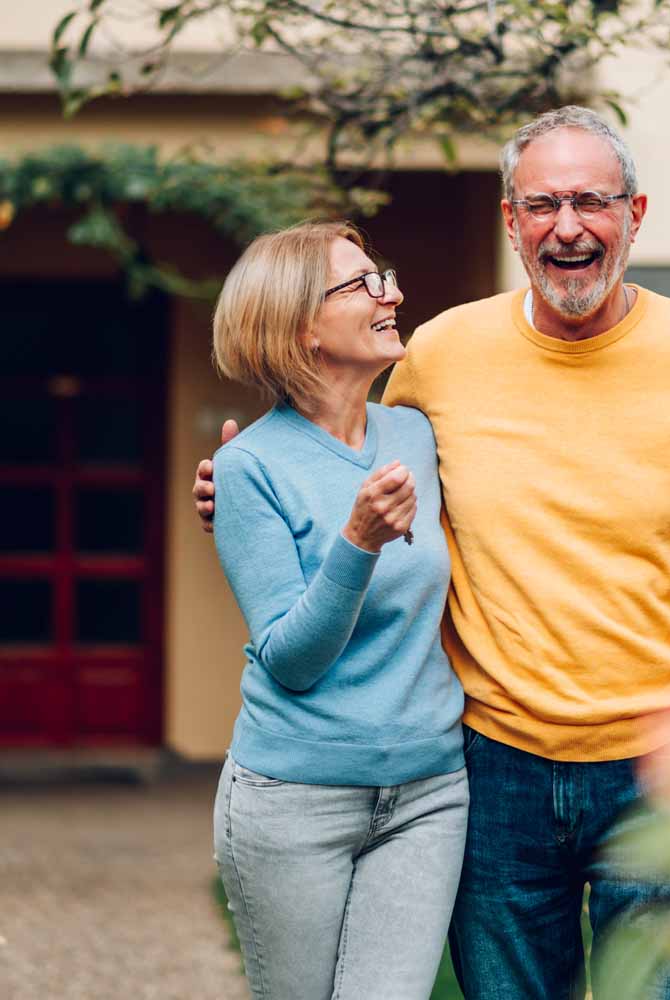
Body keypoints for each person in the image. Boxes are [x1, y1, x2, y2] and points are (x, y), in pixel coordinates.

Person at [195, 108, 670, 999]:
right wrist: (237, 492)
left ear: (635, 214)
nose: (568, 225)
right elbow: (334, 453)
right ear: (510, 221)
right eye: (543, 204)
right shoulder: (441, 355)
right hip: (491, 768)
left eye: (592, 201)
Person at [206, 220, 468, 1000]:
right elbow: (291, 659)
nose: (391, 292)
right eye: (361, 284)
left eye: (380, 274)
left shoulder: (417, 433)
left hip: (429, 792)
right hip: (294, 801)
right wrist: (357, 542)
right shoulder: (249, 467)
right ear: (299, 328)